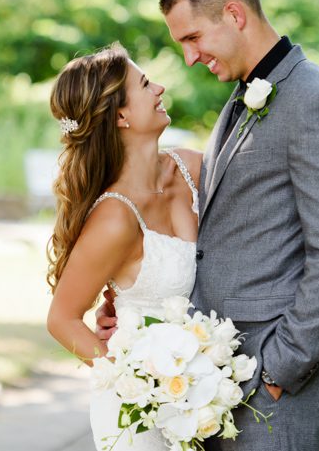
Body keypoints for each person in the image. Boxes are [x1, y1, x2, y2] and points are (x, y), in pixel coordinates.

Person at [97, 0, 319, 451]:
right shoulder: (238, 102)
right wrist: (134, 307)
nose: (188, 57)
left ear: (234, 15)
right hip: (220, 387)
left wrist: (280, 367)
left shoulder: (315, 101)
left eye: (192, 38)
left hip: (277, 396)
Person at [45, 42, 202, 450]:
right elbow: (62, 318)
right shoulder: (115, 217)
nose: (161, 88)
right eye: (146, 83)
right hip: (138, 414)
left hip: (202, 396)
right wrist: (132, 380)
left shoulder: (193, 168)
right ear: (121, 116)